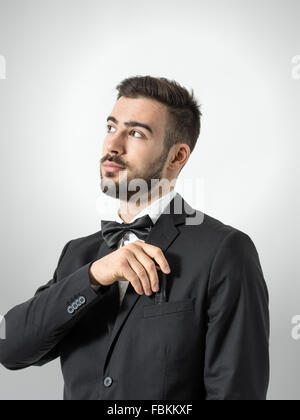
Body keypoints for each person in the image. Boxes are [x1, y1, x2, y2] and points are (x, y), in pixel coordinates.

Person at [0, 75, 269, 400]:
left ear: (177, 157)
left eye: (136, 133)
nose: (113, 145)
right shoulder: (77, 254)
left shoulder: (225, 251)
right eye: (111, 127)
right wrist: (94, 276)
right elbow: (10, 348)